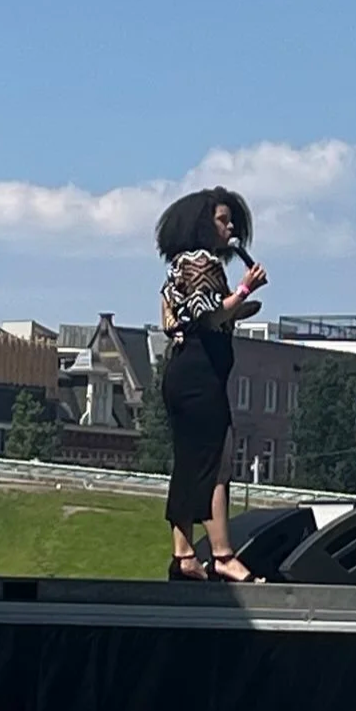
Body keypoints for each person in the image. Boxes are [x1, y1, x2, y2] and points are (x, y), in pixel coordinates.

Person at [157, 187, 269, 582]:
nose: (231, 228)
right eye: (223, 220)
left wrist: (236, 307)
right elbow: (207, 315)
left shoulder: (179, 265)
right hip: (199, 376)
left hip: (186, 373)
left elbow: (176, 318)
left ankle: (184, 554)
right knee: (214, 463)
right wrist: (244, 290)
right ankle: (222, 554)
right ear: (203, 225)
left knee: (191, 462)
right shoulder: (201, 261)